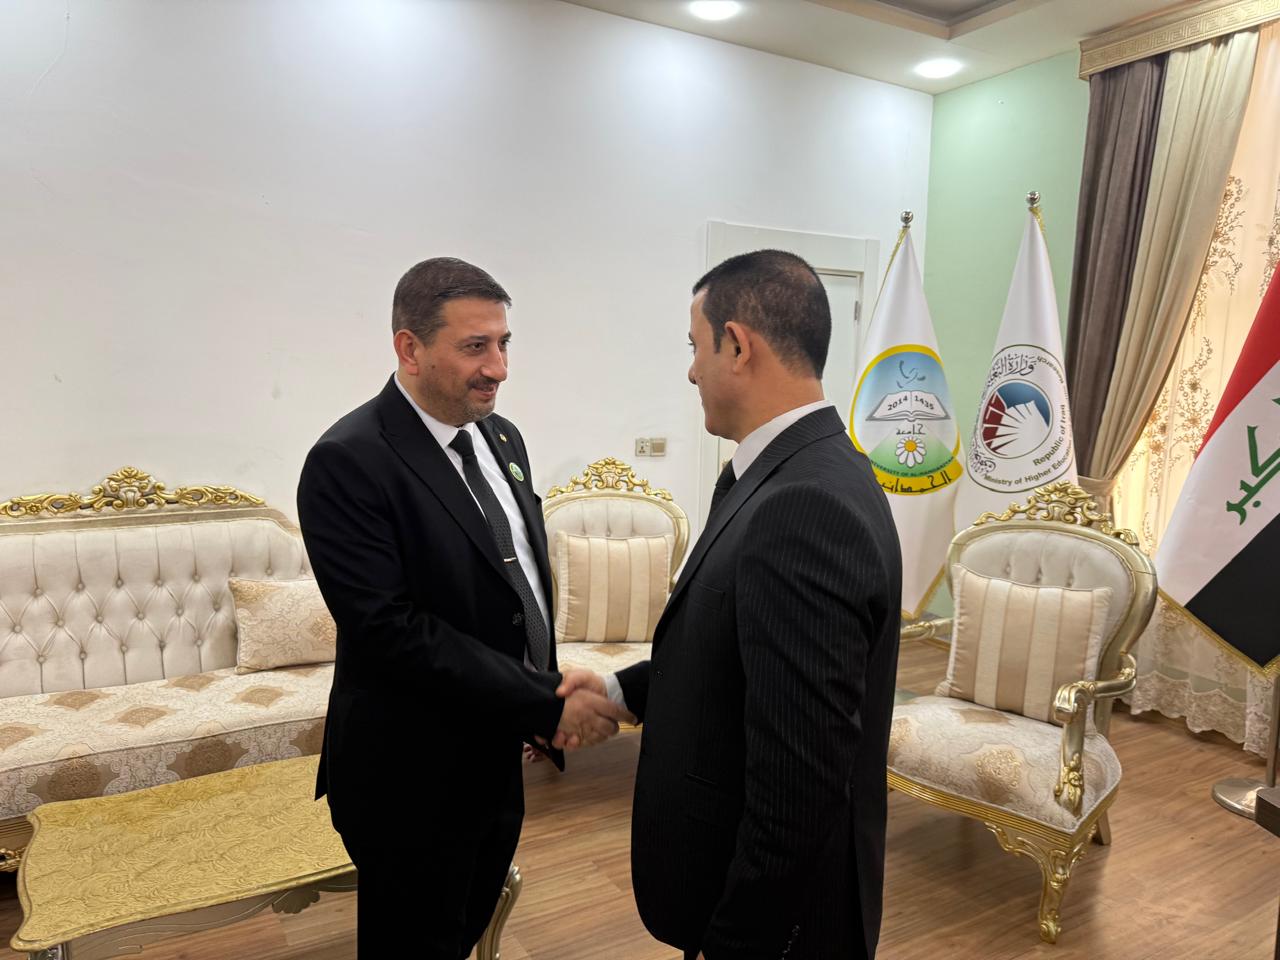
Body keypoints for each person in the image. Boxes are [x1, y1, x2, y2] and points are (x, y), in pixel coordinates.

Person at [561, 249, 902, 960]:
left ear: (738, 345)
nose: (691, 371)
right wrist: (619, 692)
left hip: (777, 930)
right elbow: (737, 659)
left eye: (696, 346)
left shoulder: (803, 505)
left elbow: (801, 780)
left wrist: (737, 945)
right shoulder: (787, 472)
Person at [297, 256, 624, 959]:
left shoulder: (502, 438)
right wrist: (542, 699)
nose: (498, 368)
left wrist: (535, 697)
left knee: (466, 923)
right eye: (476, 346)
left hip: (496, 753)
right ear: (409, 348)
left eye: (504, 344)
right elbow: (391, 632)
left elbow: (511, 582)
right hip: (410, 774)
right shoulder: (349, 460)